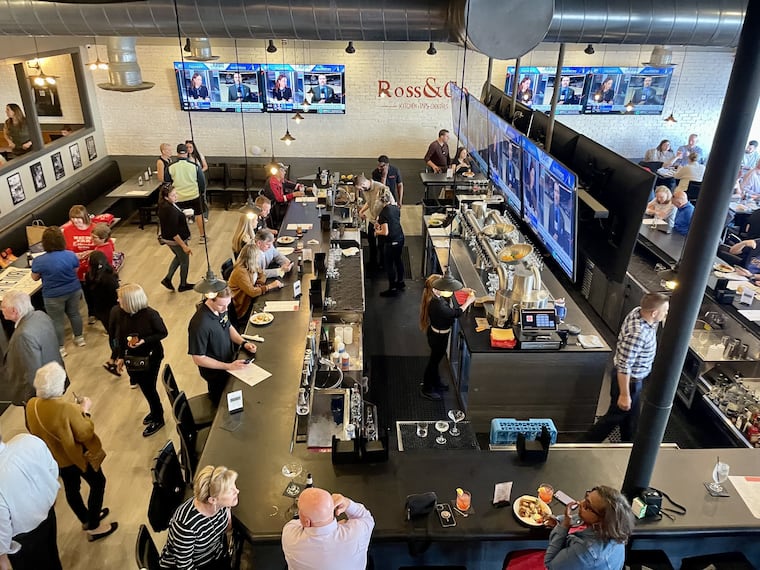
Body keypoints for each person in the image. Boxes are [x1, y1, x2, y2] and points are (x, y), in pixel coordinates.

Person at [26, 362, 118, 542]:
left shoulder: (32, 404)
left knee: (71, 488)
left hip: (54, 457)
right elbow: (85, 432)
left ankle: (86, 518)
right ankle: (94, 526)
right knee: (98, 483)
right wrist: (84, 410)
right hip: (76, 457)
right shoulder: (66, 409)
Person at [583, 293, 669, 442]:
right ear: (654, 313)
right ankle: (583, 444)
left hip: (634, 381)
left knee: (631, 421)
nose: (666, 314)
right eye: (665, 311)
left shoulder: (638, 312)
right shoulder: (638, 333)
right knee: (613, 418)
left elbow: (655, 317)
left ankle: (628, 446)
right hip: (628, 382)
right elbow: (624, 366)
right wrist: (624, 394)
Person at [108, 284, 168, 436]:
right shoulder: (121, 314)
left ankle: (158, 417)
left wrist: (144, 341)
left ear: (130, 301)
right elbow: (120, 337)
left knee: (149, 388)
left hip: (151, 356)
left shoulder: (150, 315)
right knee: (145, 387)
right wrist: (121, 356)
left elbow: (162, 333)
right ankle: (154, 411)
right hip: (133, 357)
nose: (117, 300)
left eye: (120, 298)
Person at [0, 431, 62, 570]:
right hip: (49, 516)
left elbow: (2, 536)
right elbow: (53, 470)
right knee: (52, 555)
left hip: (23, 541)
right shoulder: (28, 440)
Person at [160, 465, 238, 570]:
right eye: (230, 491)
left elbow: (227, 529)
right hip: (195, 565)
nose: (237, 491)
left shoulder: (220, 505)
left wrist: (228, 509)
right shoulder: (185, 525)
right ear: (213, 500)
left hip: (214, 554)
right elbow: (184, 565)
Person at [188, 287, 257, 404]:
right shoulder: (199, 324)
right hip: (216, 375)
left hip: (229, 362)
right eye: (222, 305)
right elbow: (198, 358)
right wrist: (228, 366)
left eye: (228, 304)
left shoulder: (221, 308)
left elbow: (228, 326)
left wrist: (243, 342)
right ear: (209, 298)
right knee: (222, 407)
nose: (226, 308)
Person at [282, 487, 374, 570]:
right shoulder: (358, 533)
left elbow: (296, 523)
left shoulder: (289, 535)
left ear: (307, 521)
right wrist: (347, 502)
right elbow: (366, 517)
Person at [544, 486, 634, 569]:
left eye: (587, 506)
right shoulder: (614, 527)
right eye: (586, 497)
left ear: (601, 521)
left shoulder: (587, 552)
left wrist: (564, 525)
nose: (580, 503)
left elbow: (549, 565)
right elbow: (580, 518)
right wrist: (559, 520)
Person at [0, 291, 64, 406]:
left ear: (14, 310)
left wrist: (30, 401)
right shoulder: (40, 315)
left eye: (3, 306)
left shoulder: (23, 335)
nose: (1, 309)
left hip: (41, 394)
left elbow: (32, 371)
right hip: (54, 379)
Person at [419, 274, 476, 400]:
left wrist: (462, 290)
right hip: (438, 337)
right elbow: (456, 313)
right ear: (435, 289)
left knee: (436, 360)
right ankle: (427, 389)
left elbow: (448, 289)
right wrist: (468, 301)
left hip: (437, 334)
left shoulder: (434, 297)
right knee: (433, 363)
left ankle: (436, 382)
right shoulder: (438, 305)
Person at [31, 227, 85, 353]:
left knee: (57, 320)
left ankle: (60, 347)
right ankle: (79, 338)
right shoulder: (71, 255)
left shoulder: (39, 260)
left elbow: (34, 278)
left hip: (53, 295)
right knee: (74, 314)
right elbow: (75, 270)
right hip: (73, 290)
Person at [228, 243, 282, 318]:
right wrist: (270, 286)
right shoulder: (240, 272)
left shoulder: (252, 265)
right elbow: (252, 292)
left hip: (252, 299)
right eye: (257, 256)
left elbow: (262, 274)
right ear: (252, 258)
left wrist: (259, 284)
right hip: (244, 306)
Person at [157, 184, 194, 292]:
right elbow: (173, 232)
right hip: (176, 240)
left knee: (178, 258)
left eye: (175, 194)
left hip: (168, 239)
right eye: (173, 195)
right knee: (184, 261)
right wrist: (184, 246)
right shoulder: (171, 210)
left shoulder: (165, 206)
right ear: (166, 197)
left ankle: (168, 279)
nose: (176, 197)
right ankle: (183, 284)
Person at [167, 143, 207, 242]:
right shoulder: (194, 166)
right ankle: (202, 236)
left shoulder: (170, 167)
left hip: (178, 197)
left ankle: (184, 236)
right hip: (194, 194)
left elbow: (167, 182)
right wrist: (201, 192)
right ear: (186, 153)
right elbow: (202, 182)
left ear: (177, 153)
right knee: (199, 214)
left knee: (180, 216)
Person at [356, 174, 394, 270]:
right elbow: (369, 202)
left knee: (382, 244)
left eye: (360, 188)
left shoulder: (381, 188)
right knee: (371, 240)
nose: (360, 191)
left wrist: (379, 220)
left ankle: (383, 264)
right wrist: (361, 211)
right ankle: (373, 262)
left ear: (364, 183)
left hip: (383, 220)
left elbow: (389, 206)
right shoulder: (365, 190)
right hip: (373, 219)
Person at [374, 188, 405, 297]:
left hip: (391, 241)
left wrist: (377, 232)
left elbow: (385, 232)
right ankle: (401, 282)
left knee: (389, 265)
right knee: (398, 260)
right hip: (400, 237)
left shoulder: (383, 213)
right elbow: (393, 221)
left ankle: (392, 288)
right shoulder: (395, 208)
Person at [83, 250, 118, 333]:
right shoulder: (110, 275)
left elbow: (88, 292)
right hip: (112, 303)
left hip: (99, 305)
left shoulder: (89, 276)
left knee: (106, 321)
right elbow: (115, 290)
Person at [262, 162, 305, 229]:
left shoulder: (280, 180)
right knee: (296, 209)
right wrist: (293, 194)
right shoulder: (272, 182)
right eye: (283, 171)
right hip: (275, 209)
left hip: (280, 205)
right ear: (278, 172)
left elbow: (290, 185)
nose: (285, 172)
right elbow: (278, 199)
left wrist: (303, 187)